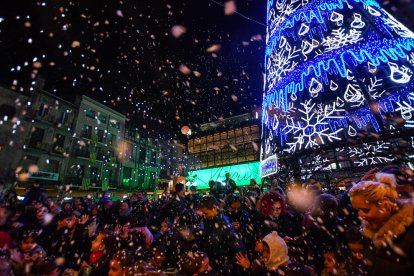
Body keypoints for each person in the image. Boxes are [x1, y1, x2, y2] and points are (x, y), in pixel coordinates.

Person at [349, 173, 414, 275]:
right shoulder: (367, 232)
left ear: (386, 206)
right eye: (358, 210)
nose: (361, 216)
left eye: (365, 210)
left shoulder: (410, 233)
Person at [198, 195, 244, 274]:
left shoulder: (224, 225)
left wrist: (222, 270)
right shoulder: (209, 221)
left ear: (214, 208)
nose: (204, 216)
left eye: (206, 213)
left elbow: (238, 252)